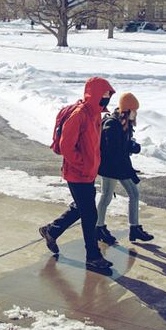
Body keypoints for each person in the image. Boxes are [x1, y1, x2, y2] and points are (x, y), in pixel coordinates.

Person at [39, 76, 116, 272]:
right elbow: (66, 146)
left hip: (88, 172)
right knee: (90, 214)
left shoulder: (95, 114)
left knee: (81, 207)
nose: (107, 97)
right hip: (77, 173)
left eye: (109, 94)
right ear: (95, 94)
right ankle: (93, 256)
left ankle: (52, 230)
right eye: (105, 93)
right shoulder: (80, 114)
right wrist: (82, 164)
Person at [94, 93, 153, 245]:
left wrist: (130, 147)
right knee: (107, 196)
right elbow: (112, 149)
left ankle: (134, 228)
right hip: (111, 168)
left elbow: (121, 149)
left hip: (120, 166)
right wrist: (129, 147)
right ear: (127, 110)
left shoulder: (124, 123)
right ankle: (98, 228)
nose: (136, 113)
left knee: (132, 194)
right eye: (134, 110)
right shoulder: (112, 124)